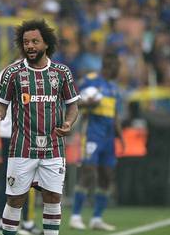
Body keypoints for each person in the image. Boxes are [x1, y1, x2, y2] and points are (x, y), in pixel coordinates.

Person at [0, 19, 79, 235]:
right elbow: (1, 104)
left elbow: (73, 105)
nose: (30, 46)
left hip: (53, 146)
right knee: (15, 198)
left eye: (35, 41)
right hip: (21, 146)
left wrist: (67, 122)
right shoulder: (13, 73)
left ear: (46, 43)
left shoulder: (61, 72)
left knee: (53, 197)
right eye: (26, 42)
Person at [69, 51, 123, 231]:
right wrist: (88, 104)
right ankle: (75, 216)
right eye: (117, 67)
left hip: (108, 138)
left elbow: (115, 115)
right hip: (92, 133)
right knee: (88, 171)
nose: (119, 71)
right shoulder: (91, 80)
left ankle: (97, 218)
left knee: (106, 175)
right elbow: (76, 101)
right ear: (109, 66)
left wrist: (120, 136)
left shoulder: (114, 88)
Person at [0, 64, 42, 235]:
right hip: (13, 131)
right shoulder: (11, 70)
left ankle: (3, 221)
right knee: (19, 175)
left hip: (19, 131)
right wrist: (3, 111)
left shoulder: (15, 71)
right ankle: (24, 223)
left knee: (14, 176)